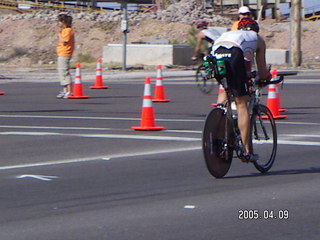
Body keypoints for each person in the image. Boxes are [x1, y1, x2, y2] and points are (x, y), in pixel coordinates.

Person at [211, 18, 271, 162]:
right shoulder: (258, 39)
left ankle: (220, 119)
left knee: (225, 90)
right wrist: (266, 77)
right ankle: (246, 150)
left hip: (216, 51)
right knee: (242, 103)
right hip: (234, 53)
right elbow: (262, 71)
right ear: (255, 30)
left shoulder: (231, 33)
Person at [56, 13, 75, 99]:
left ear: (63, 22)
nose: (58, 23)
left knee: (64, 72)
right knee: (61, 72)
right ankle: (65, 90)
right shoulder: (65, 30)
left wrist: (59, 34)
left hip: (65, 54)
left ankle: (69, 91)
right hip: (61, 53)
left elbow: (64, 41)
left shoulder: (68, 30)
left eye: (60, 21)